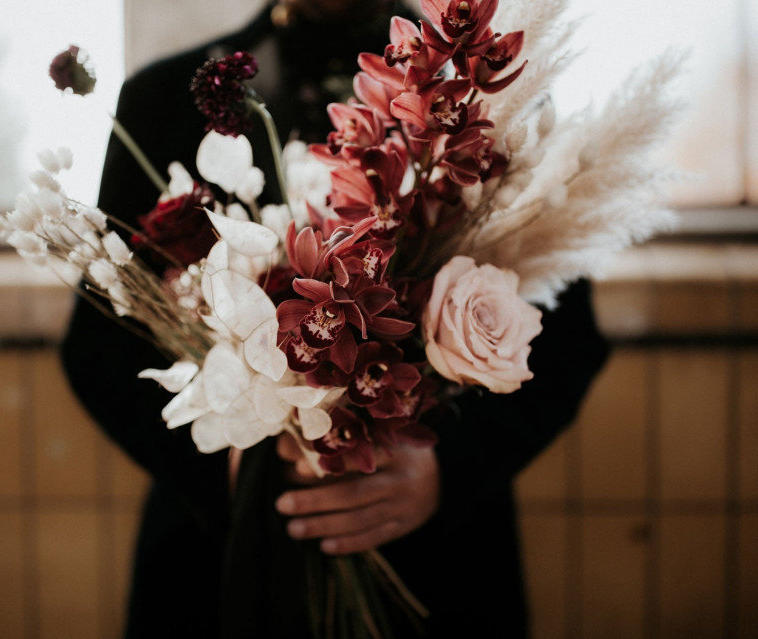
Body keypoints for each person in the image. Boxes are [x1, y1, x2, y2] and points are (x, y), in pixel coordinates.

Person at [60, 1, 610, 636]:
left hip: (435, 567)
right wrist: (226, 464)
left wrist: (446, 472)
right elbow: (97, 345)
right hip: (218, 563)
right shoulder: (161, 100)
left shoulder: (488, 98)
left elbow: (568, 341)